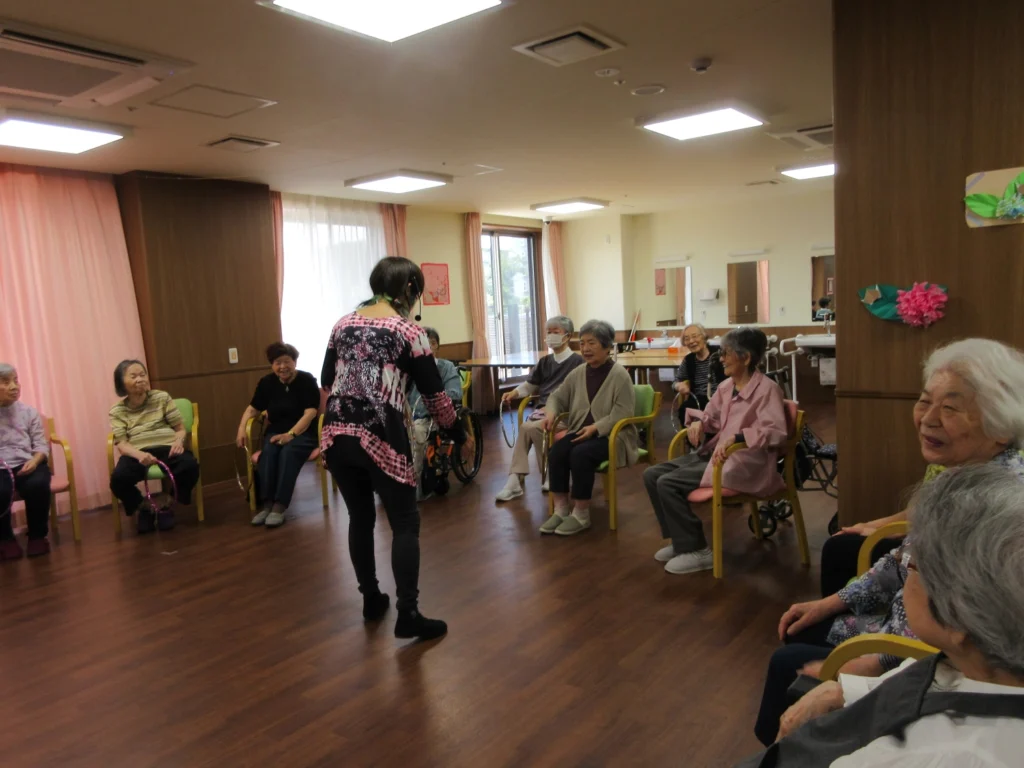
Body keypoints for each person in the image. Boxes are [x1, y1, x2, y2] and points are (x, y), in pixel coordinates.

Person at [754, 338, 1024, 746]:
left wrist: (875, 662)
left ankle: (788, 751)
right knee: (802, 624)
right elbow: (901, 558)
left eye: (950, 409)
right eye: (925, 401)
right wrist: (830, 603)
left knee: (786, 663)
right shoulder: (960, 474)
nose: (928, 419)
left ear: (1001, 426)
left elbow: (964, 629)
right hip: (900, 627)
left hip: (923, 655)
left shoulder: (994, 506)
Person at [741, 464, 1024, 767]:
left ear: (958, 613)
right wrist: (843, 691)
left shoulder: (936, 756)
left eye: (914, 564)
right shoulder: (973, 661)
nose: (904, 565)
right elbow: (925, 680)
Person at [321, 256, 457, 641]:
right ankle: (408, 613)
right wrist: (456, 430)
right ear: (410, 289)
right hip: (381, 430)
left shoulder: (342, 324)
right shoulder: (408, 331)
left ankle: (370, 598)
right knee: (405, 522)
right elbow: (435, 395)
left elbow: (327, 379)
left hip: (336, 430)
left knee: (360, 516)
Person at [644, 327, 787, 575]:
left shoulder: (768, 390)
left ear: (746, 357)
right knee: (651, 474)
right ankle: (680, 540)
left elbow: (776, 432)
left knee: (668, 483)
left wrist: (739, 436)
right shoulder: (726, 387)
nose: (721, 359)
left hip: (744, 463)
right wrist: (699, 423)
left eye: (726, 353)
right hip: (718, 456)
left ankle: (697, 549)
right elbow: (711, 417)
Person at [539, 319, 636, 536]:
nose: (585, 348)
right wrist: (551, 412)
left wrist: (595, 428)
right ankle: (561, 510)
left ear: (607, 346)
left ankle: (581, 514)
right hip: (580, 432)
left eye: (592, 343)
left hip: (613, 436)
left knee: (581, 454)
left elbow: (623, 413)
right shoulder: (578, 372)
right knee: (557, 451)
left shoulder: (619, 375)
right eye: (582, 343)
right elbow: (556, 397)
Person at [496, 315, 584, 501]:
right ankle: (516, 479)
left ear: (568, 336)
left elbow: (580, 395)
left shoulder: (578, 362)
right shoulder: (545, 362)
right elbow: (530, 385)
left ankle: (534, 476)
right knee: (529, 426)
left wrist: (555, 409)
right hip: (542, 413)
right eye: (548, 332)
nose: (551, 336)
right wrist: (514, 393)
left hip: (565, 414)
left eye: (556, 332)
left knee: (531, 427)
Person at [108, 360, 201, 534]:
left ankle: (167, 503)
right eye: (133, 376)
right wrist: (139, 455)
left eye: (142, 375)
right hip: (136, 451)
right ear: (121, 382)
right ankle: (144, 507)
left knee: (190, 466)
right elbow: (122, 444)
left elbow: (180, 429)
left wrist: (178, 442)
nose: (140, 379)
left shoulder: (161, 397)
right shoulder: (117, 411)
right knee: (118, 479)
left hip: (166, 445)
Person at [236, 342, 320, 528]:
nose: (282, 367)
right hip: (275, 432)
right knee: (269, 452)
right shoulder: (267, 382)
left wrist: (290, 434)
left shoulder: (306, 380)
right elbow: (252, 409)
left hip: (304, 433)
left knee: (288, 452)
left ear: (295, 362)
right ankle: (267, 505)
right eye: (277, 363)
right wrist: (241, 428)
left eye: (287, 361)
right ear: (272, 365)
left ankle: (279, 506)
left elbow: (310, 413)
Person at [0, 363, 52, 559]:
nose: (14, 386)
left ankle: (37, 537)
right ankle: (5, 539)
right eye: (6, 382)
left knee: (38, 484)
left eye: (16, 380)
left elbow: (41, 446)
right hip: (1, 468)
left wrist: (35, 461)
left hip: (29, 462)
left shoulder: (29, 413)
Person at [408, 326, 463, 501]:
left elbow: (455, 393)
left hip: (432, 417)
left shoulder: (446, 367)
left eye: (432, 343)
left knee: (416, 434)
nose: (429, 347)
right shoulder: (411, 369)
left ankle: (414, 485)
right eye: (425, 343)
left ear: (437, 346)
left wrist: (434, 399)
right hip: (409, 415)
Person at [671, 323, 725, 415]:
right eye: (687, 339)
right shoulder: (689, 360)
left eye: (695, 336)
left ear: (704, 337)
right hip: (699, 399)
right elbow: (675, 381)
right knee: (684, 410)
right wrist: (678, 385)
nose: (691, 341)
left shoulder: (719, 354)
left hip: (722, 398)